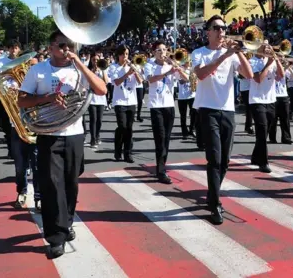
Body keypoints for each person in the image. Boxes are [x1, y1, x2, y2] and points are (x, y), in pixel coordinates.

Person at [18, 29, 107, 259]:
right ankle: (55, 237)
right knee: (51, 186)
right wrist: (47, 99)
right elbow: (22, 100)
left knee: (71, 184)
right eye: (62, 45)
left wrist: (79, 61)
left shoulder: (79, 68)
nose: (67, 49)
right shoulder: (38, 71)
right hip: (49, 134)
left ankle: (66, 223)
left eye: (70, 45)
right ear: (51, 47)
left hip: (75, 134)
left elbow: (102, 89)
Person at [192, 15, 253, 225]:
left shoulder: (232, 54)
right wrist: (224, 55)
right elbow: (201, 74)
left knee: (225, 161)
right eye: (216, 28)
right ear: (207, 31)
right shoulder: (199, 53)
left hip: (227, 110)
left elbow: (249, 75)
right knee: (215, 159)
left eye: (224, 28)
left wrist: (239, 53)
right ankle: (215, 203)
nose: (221, 32)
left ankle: (212, 193)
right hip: (208, 109)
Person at [145, 41, 186, 184]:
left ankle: (162, 166)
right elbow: (151, 79)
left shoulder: (171, 65)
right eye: (159, 50)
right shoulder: (149, 65)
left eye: (164, 49)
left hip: (169, 105)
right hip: (156, 105)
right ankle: (161, 171)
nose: (163, 52)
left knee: (166, 139)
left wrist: (178, 69)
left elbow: (185, 80)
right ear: (154, 53)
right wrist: (168, 72)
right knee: (160, 138)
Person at [249, 43, 285, 172]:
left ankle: (254, 156)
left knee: (265, 131)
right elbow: (258, 79)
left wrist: (277, 60)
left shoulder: (271, 60)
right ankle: (263, 162)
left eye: (268, 46)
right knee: (262, 130)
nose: (266, 48)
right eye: (263, 46)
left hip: (271, 100)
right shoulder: (252, 61)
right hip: (257, 100)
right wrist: (269, 63)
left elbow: (281, 76)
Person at [108, 45, 143, 162]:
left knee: (129, 128)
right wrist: (127, 74)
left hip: (131, 101)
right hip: (119, 101)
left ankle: (128, 153)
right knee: (122, 127)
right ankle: (118, 150)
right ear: (118, 55)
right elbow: (116, 82)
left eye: (127, 54)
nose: (125, 56)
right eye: (123, 54)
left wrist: (135, 71)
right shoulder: (113, 67)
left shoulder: (132, 67)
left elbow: (140, 81)